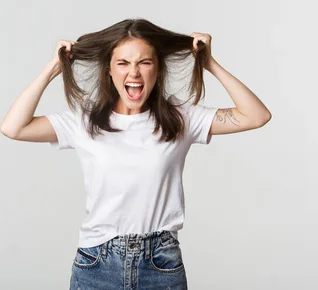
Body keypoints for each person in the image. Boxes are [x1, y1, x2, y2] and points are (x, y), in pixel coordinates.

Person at [0, 18, 271, 289]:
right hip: (97, 263)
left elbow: (256, 115)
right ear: (109, 69)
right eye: (123, 63)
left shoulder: (180, 119)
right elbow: (14, 127)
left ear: (158, 69)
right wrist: (53, 68)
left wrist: (209, 63)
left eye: (144, 62)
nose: (134, 73)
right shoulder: (83, 122)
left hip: (161, 263)